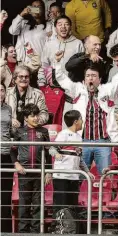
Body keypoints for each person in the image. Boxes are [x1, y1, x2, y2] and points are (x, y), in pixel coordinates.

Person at [55, 56, 118, 175]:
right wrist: (57, 63)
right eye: (88, 76)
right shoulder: (77, 90)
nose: (90, 78)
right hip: (82, 142)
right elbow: (62, 79)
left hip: (102, 142)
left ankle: (105, 194)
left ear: (99, 79)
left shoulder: (107, 90)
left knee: (106, 176)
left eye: (93, 76)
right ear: (84, 80)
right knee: (81, 176)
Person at [10, 104, 52, 233]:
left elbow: (48, 153)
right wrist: (16, 163)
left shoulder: (44, 131)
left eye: (37, 115)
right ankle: (23, 232)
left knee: (38, 204)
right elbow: (12, 150)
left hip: (40, 173)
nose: (36, 118)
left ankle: (36, 232)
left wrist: (48, 171)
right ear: (26, 118)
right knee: (24, 205)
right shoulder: (19, 132)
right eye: (32, 116)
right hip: (24, 173)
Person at [48, 110, 94, 217]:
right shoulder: (63, 134)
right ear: (76, 121)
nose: (83, 122)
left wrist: (87, 171)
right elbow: (51, 148)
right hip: (61, 176)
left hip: (74, 177)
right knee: (60, 205)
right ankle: (59, 228)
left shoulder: (78, 137)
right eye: (81, 119)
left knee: (72, 205)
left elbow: (79, 158)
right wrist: (56, 154)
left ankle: (70, 228)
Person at [38, 15, 84, 87]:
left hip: (72, 87)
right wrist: (41, 83)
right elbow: (44, 66)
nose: (63, 27)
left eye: (66, 24)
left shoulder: (78, 43)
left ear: (70, 27)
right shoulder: (49, 44)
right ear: (55, 28)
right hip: (53, 86)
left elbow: (82, 67)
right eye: (60, 24)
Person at [9, 1, 47, 66]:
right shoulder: (24, 23)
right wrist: (22, 14)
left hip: (39, 64)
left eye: (39, 7)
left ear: (43, 10)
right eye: (34, 7)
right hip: (23, 64)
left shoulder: (48, 26)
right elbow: (12, 31)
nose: (36, 9)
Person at [0, 82, 13, 232]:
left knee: (5, 194)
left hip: (6, 154)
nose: (0, 93)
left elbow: (9, 130)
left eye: (2, 90)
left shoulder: (8, 109)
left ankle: (6, 229)